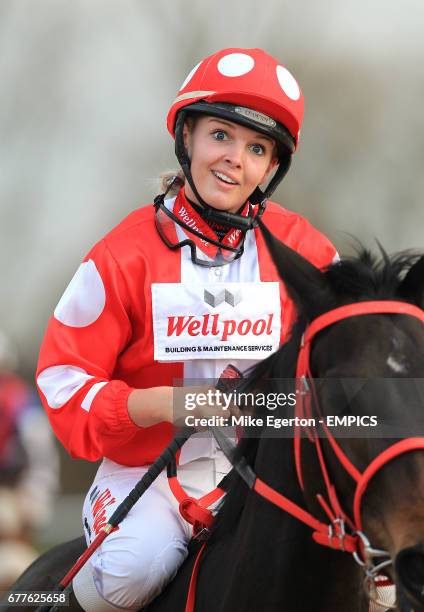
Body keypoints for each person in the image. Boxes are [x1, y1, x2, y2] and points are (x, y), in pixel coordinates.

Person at [36, 47, 337, 610]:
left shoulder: (308, 252)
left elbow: (355, 350)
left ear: (271, 168)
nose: (234, 160)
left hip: (268, 469)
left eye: (256, 148)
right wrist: (166, 404)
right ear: (188, 136)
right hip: (146, 475)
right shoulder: (119, 257)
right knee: (130, 575)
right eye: (221, 135)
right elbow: (62, 383)